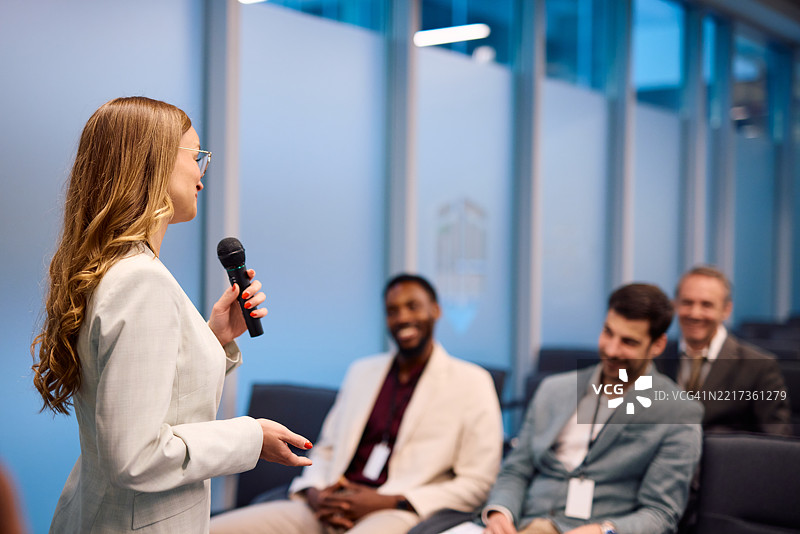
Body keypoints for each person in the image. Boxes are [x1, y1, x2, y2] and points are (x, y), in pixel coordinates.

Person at [31, 96, 312, 533]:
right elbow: (137, 456)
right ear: (154, 161)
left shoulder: (120, 271)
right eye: (196, 155)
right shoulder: (141, 281)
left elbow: (145, 404)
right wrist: (251, 438)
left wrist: (213, 338)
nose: (202, 172)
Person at [210, 274, 504, 534]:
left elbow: (477, 482)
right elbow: (326, 449)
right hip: (328, 504)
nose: (402, 317)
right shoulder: (362, 373)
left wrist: (389, 500)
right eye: (392, 311)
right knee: (211, 530)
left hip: (398, 511)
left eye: (412, 306)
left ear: (436, 310)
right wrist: (315, 492)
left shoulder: (472, 382)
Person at [424, 283, 703, 534]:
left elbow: (661, 514)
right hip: (523, 524)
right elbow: (516, 469)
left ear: (657, 345)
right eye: (608, 333)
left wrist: (604, 530)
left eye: (629, 342)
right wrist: (500, 513)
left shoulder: (677, 412)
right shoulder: (554, 390)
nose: (612, 349)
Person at [656, 265, 791, 435]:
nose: (695, 313)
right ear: (675, 305)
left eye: (706, 305)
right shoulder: (655, 358)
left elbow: (777, 441)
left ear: (726, 310)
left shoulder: (759, 366)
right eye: (687, 302)